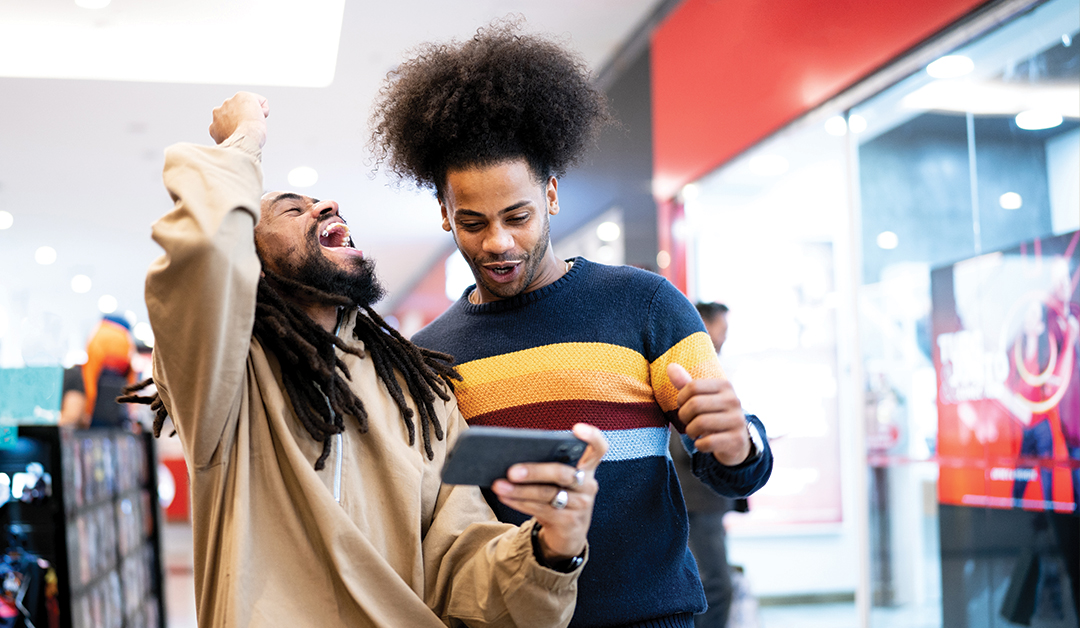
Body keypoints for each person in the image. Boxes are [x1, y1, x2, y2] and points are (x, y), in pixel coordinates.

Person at [121, 92, 609, 628]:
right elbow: (201, 260)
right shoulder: (225, 379)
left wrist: (550, 551)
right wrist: (244, 141)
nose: (326, 205)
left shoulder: (420, 395)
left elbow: (464, 565)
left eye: (324, 203)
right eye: (292, 208)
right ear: (248, 256)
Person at [371, 22, 773, 628]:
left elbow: (727, 463)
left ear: (552, 195)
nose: (498, 242)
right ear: (444, 215)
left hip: (652, 619)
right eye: (473, 222)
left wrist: (742, 442)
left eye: (518, 215)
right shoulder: (430, 356)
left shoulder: (646, 304)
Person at [668, 302, 737, 628]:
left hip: (706, 498)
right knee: (716, 587)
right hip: (698, 497)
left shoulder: (703, 374)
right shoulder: (688, 376)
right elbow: (687, 445)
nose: (724, 338)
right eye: (721, 329)